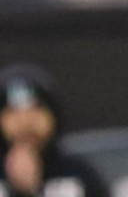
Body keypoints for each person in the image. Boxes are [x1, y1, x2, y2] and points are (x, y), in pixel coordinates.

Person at [0, 63, 109, 197]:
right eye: (13, 112)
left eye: (37, 109)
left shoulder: (78, 176)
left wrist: (33, 191)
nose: (26, 122)